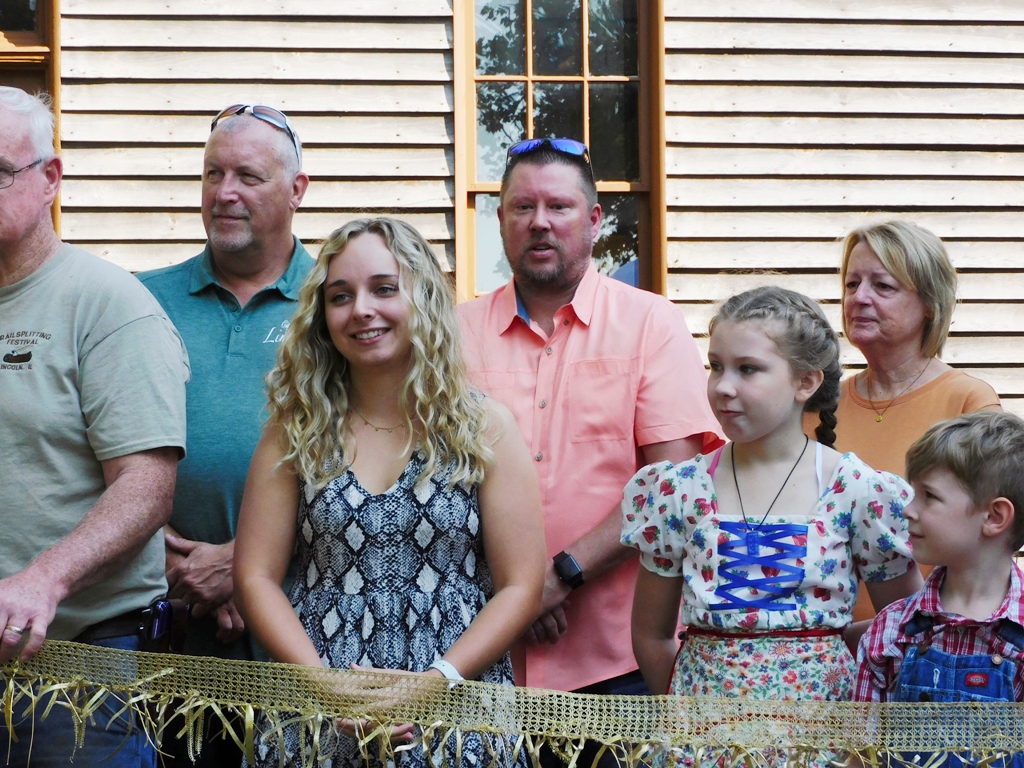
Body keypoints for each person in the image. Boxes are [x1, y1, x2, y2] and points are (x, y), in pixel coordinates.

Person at [234, 217, 545, 767]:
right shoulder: (294, 431)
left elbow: (522, 585)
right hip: (319, 710)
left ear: (422, 298)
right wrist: (323, 683)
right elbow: (255, 576)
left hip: (455, 709)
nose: (361, 310)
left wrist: (437, 680)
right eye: (340, 296)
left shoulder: (483, 427)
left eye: (384, 288)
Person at [456, 137, 724, 765]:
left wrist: (560, 575)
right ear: (500, 220)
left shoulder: (651, 324)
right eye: (521, 207)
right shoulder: (453, 332)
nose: (539, 222)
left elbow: (671, 484)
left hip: (621, 661)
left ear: (595, 219)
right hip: (482, 657)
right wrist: (515, 588)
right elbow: (433, 477)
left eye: (559, 206)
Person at [622, 287, 922, 766]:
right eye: (715, 366)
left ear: (806, 382)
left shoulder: (856, 490)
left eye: (748, 369)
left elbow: (905, 626)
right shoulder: (679, 490)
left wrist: (830, 654)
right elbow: (651, 634)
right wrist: (690, 725)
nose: (723, 386)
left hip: (823, 748)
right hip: (702, 749)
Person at [0, 86, 189, 765]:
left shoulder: (108, 306)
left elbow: (146, 487)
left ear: (50, 178)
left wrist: (43, 580)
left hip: (81, 670)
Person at [137, 103, 312, 766]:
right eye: (213, 173)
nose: (225, 192)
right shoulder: (139, 303)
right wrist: (155, 551)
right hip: (168, 636)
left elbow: (380, 454)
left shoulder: (342, 302)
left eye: (248, 176)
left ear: (297, 190)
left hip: (308, 640)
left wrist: (246, 564)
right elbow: (86, 449)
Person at [814, 219, 1001, 622]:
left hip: (928, 640)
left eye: (883, 286)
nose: (859, 298)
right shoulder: (819, 407)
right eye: (852, 284)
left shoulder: (969, 401)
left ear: (930, 304)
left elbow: (986, 548)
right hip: (821, 643)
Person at [856, 411, 1024, 768]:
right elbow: (863, 754)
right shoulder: (891, 630)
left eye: (928, 496)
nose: (907, 509)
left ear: (994, 517)